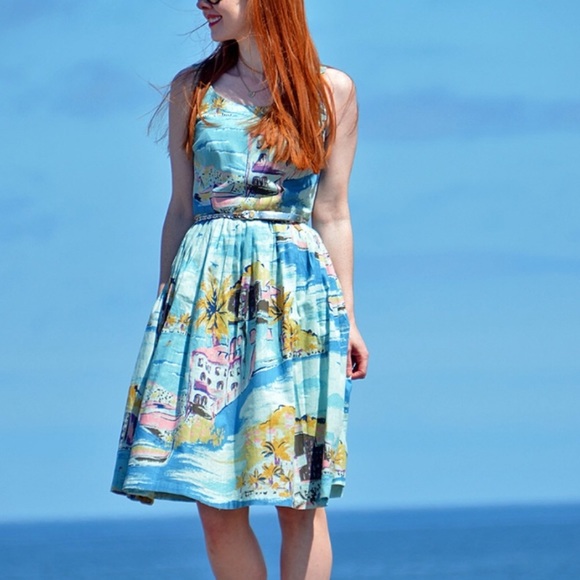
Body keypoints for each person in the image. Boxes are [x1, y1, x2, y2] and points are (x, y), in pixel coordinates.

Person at [111, 0, 368, 577]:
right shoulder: (193, 89)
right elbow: (180, 210)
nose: (201, 1)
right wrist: (166, 313)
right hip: (206, 297)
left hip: (296, 299)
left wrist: (350, 317)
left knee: (298, 496)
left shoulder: (332, 91)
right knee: (213, 497)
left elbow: (332, 211)